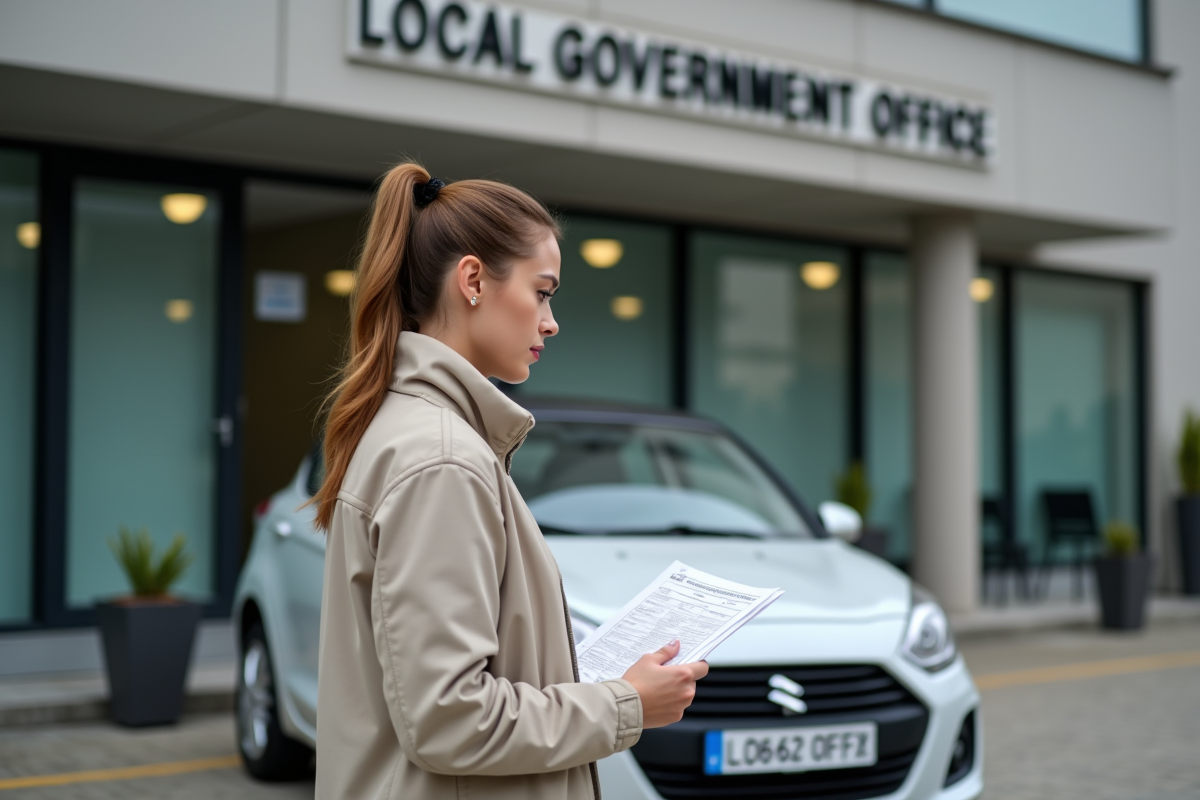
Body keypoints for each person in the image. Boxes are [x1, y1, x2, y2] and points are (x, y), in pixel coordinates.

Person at [312, 163, 708, 799]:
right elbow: (450, 719)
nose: (551, 321)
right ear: (472, 280)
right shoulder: (443, 460)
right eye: (542, 292)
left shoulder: (421, 435)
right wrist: (626, 703)